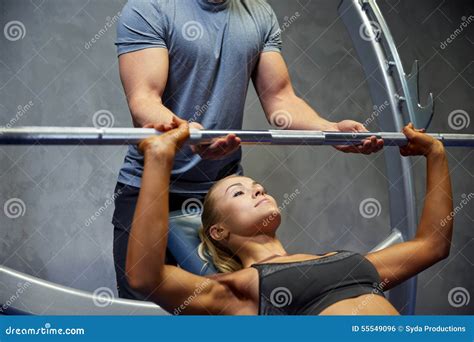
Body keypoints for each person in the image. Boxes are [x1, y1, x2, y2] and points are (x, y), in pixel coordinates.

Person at [112, 0, 383, 300]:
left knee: (233, 310)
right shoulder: (149, 8)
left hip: (221, 196)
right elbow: (145, 102)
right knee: (141, 310)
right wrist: (194, 136)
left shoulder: (260, 14)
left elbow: (280, 100)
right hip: (148, 188)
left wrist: (329, 130)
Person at [125, 118, 453, 315]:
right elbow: (145, 278)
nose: (257, 190)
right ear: (219, 232)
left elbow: (433, 243)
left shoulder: (343, 260)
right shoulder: (238, 289)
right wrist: (160, 158)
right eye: (238, 192)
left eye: (256, 186)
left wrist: (435, 153)